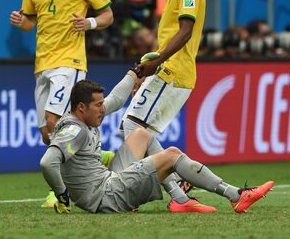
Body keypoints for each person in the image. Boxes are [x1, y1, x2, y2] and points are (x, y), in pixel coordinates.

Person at [40, 78, 274, 214]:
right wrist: (61, 195)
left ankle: (179, 200)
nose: (103, 109)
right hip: (106, 196)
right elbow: (48, 162)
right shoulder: (76, 130)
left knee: (142, 134)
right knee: (171, 155)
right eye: (98, 105)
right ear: (81, 107)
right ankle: (235, 196)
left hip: (106, 185)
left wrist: (135, 72)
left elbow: (116, 101)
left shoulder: (80, 120)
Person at [9, 0, 114, 207]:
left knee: (56, 123)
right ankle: (97, 153)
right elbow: (31, 21)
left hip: (70, 60)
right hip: (42, 63)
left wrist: (89, 23)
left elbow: (108, 15)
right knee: (48, 135)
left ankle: (60, 192)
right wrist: (22, 21)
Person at [119, 0, 215, 213]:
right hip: (166, 69)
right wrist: (148, 64)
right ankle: (177, 188)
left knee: (133, 125)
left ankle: (136, 193)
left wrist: (158, 62)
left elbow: (185, 32)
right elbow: (169, 38)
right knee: (136, 128)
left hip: (174, 71)